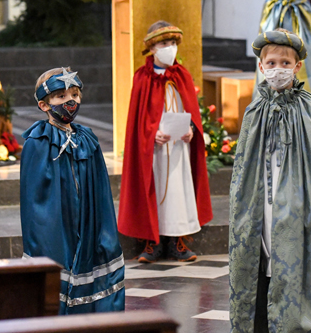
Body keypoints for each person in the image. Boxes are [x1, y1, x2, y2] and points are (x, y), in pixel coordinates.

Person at [229, 29, 311, 332]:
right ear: (261, 66)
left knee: (296, 255)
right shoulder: (254, 110)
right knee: (264, 257)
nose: (277, 69)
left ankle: (298, 322)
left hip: (298, 204)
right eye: (271, 63)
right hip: (263, 203)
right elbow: (244, 167)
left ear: (297, 66)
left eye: (285, 63)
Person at [20, 67, 125, 314]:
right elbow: (36, 200)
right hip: (58, 225)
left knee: (100, 259)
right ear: (44, 105)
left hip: (89, 221)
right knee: (60, 270)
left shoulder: (87, 138)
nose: (70, 101)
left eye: (75, 94)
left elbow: (100, 189)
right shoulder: (38, 141)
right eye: (61, 97)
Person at [118, 21, 212, 263]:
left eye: (172, 43)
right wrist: (150, 135)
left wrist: (191, 130)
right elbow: (136, 119)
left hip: (179, 145)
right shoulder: (142, 77)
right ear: (152, 48)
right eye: (163, 44)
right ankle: (152, 243)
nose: (169, 48)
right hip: (154, 149)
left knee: (178, 191)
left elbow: (191, 110)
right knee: (155, 188)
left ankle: (177, 242)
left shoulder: (182, 75)